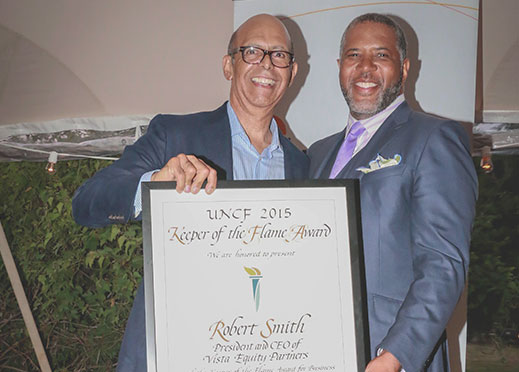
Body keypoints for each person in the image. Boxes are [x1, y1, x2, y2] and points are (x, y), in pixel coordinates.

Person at [72, 14, 308, 371]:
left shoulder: (304, 167)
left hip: (266, 352)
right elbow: (86, 201)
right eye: (253, 52)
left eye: (279, 55)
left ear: (291, 73)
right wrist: (154, 183)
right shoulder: (175, 135)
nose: (267, 64)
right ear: (228, 65)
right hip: (176, 353)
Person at [307, 13, 477, 372]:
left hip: (389, 358)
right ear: (340, 67)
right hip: (318, 350)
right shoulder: (317, 153)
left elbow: (443, 263)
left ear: (404, 68)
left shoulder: (434, 138)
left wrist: (395, 356)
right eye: (354, 55)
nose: (365, 67)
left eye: (380, 55)